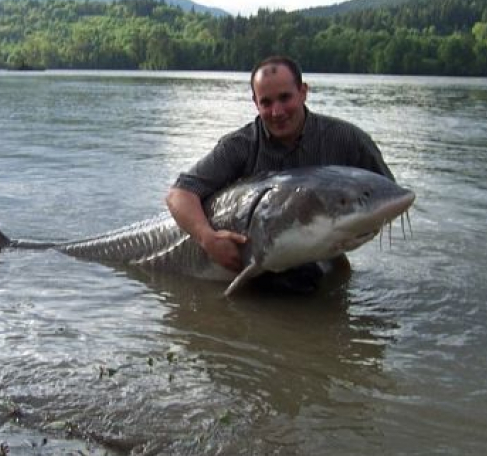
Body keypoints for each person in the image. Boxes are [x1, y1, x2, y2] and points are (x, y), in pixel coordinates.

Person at [166, 55, 395, 286]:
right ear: (255, 103)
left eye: (285, 98)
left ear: (303, 92)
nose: (277, 112)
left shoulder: (347, 138)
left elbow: (388, 195)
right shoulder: (240, 145)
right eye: (266, 102)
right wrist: (208, 239)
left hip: (315, 251)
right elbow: (180, 194)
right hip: (255, 259)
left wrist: (349, 236)